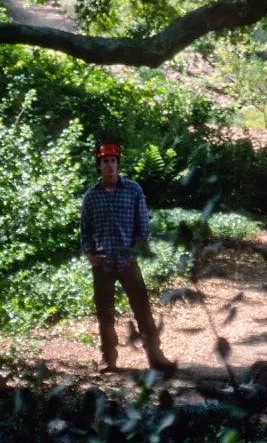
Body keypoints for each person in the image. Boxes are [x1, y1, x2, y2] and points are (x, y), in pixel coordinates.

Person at [79, 137, 176, 375]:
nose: (110, 165)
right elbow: (85, 229)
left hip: (127, 261)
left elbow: (143, 223)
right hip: (102, 263)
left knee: (142, 310)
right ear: (99, 165)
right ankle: (108, 359)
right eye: (105, 162)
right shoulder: (91, 196)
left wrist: (137, 249)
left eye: (113, 161)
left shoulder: (133, 190)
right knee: (105, 314)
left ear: (118, 164)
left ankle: (156, 357)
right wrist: (90, 254)